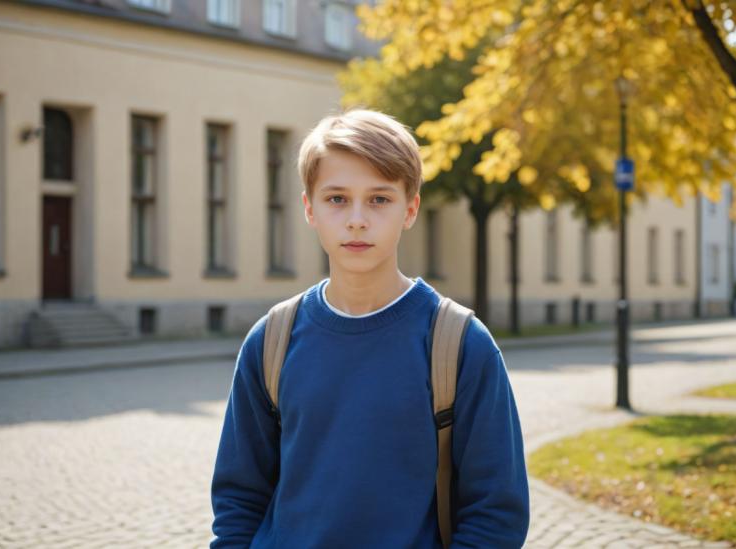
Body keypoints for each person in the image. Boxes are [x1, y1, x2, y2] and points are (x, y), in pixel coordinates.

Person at [209, 109, 530, 548]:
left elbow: (496, 512)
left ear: (410, 209)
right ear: (309, 209)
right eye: (337, 199)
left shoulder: (458, 344)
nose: (357, 219)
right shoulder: (271, 342)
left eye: (379, 199)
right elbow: (239, 499)